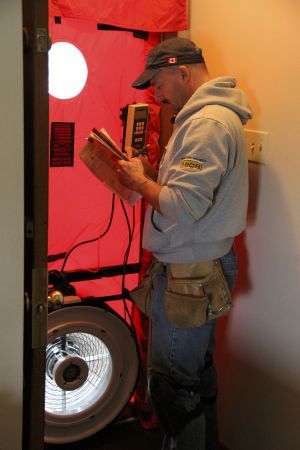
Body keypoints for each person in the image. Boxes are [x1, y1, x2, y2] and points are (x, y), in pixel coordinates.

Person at [117, 37, 252, 450]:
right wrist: (152, 170)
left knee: (175, 389)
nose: (155, 94)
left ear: (182, 71)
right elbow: (185, 191)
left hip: (188, 275)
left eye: (157, 83)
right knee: (195, 374)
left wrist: (141, 182)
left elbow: (185, 205)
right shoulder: (199, 119)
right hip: (198, 265)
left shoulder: (206, 124)